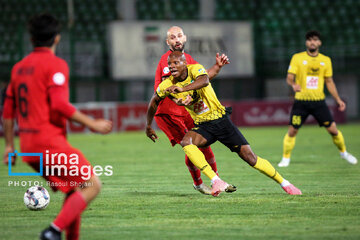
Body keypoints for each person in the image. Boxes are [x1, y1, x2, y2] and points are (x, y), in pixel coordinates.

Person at [2, 14, 112, 240]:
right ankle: (53, 231)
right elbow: (60, 104)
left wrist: (9, 146)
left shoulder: (19, 69)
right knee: (93, 185)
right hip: (48, 143)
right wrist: (92, 123)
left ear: (31, 39)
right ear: (57, 38)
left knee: (74, 189)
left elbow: (7, 111)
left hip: (29, 149)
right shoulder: (55, 65)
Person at [146, 51, 302, 197]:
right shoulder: (167, 85)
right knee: (186, 142)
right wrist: (148, 125)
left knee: (251, 159)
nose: (171, 66)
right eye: (169, 63)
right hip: (203, 125)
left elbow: (205, 80)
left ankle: (285, 183)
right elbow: (154, 101)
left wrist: (184, 89)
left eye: (175, 62)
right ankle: (216, 181)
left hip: (221, 120)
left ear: (184, 64)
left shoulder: (195, 69)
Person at [153, 26, 230, 195]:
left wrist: (217, 67)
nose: (177, 40)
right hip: (170, 113)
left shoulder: (188, 59)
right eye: (172, 38)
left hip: (187, 111)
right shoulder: (167, 60)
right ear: (168, 42)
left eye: (179, 36)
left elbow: (202, 78)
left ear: (185, 38)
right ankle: (200, 183)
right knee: (191, 146)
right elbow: (168, 88)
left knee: (205, 147)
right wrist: (179, 99)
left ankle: (216, 180)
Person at [278, 30, 357, 167]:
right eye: (309, 40)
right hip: (301, 102)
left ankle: (343, 152)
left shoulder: (325, 60)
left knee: (333, 130)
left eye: (315, 40)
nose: (312, 42)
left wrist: (338, 99)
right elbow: (289, 78)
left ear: (319, 42)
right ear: (306, 42)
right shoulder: (297, 58)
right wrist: (293, 84)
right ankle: (286, 158)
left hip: (319, 102)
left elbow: (329, 82)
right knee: (292, 130)